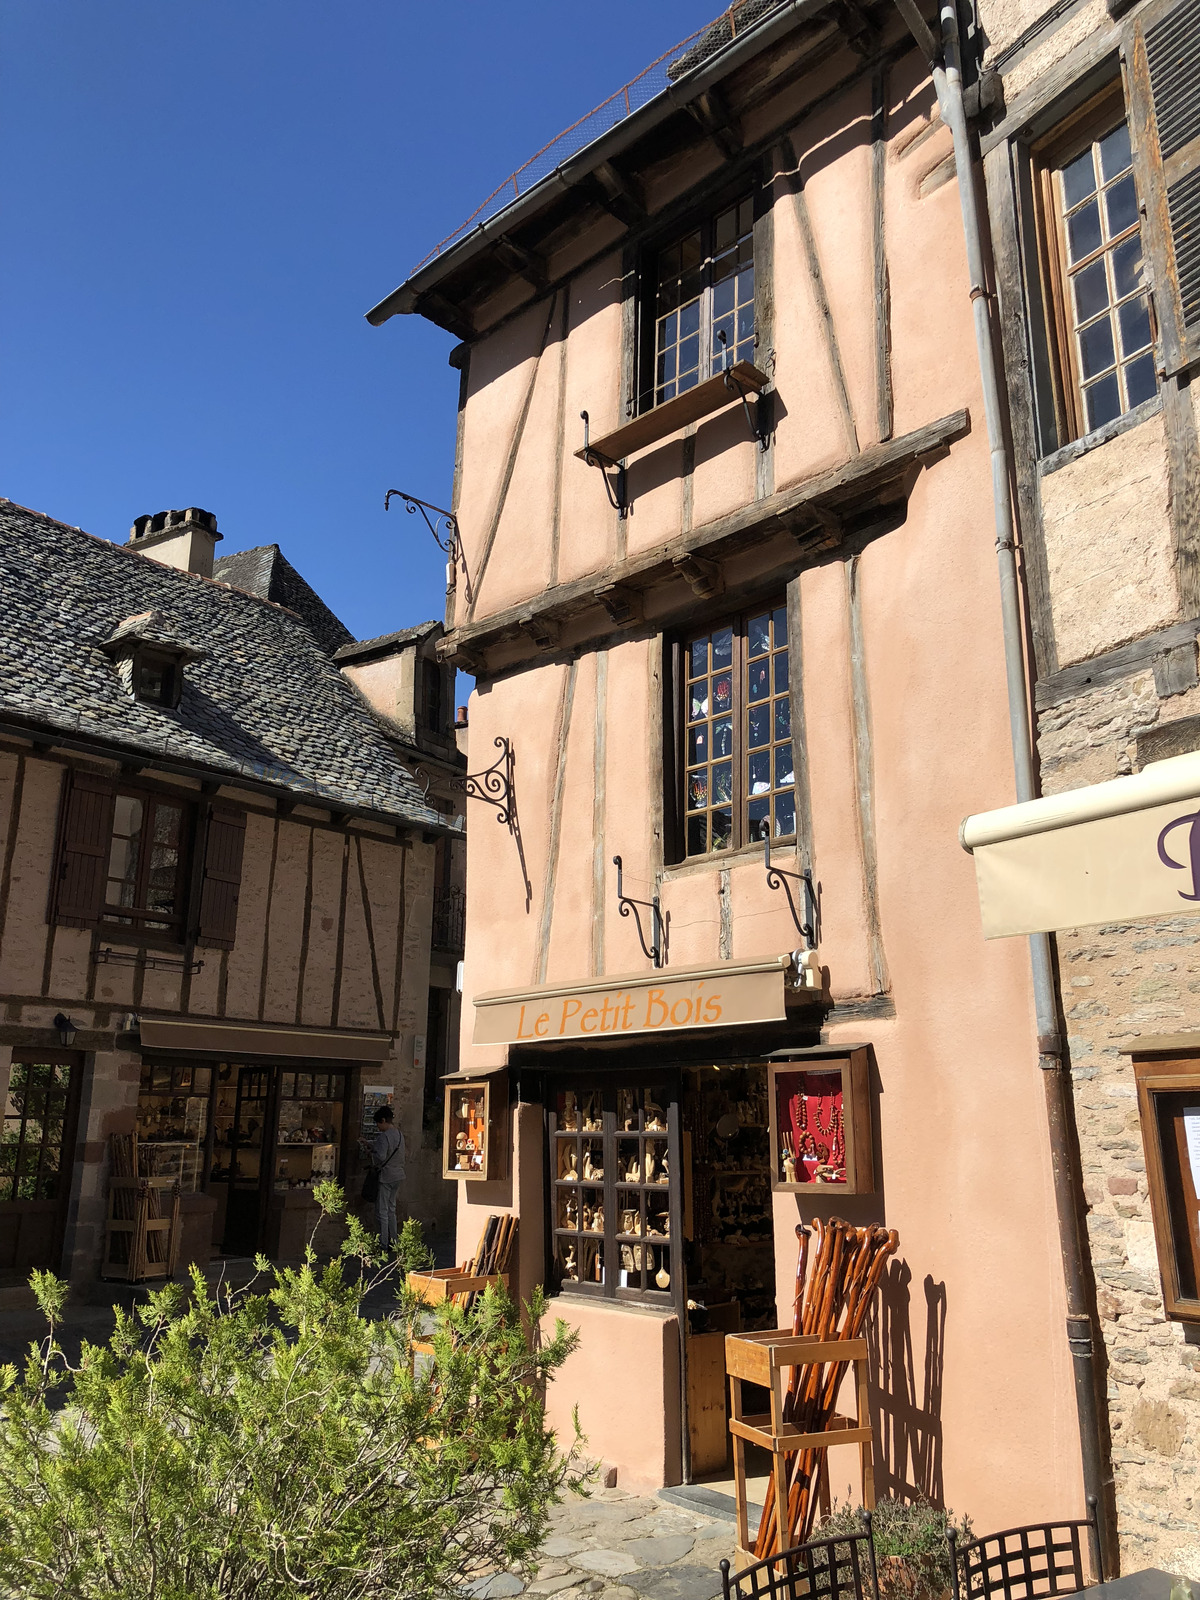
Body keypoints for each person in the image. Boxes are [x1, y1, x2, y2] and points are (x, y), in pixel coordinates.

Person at [364, 1104, 405, 1250]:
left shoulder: (384, 1136)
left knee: (382, 1211)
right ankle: (394, 1241)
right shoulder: (399, 1135)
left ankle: (383, 1243)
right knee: (391, 1210)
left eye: (378, 1123)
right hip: (398, 1174)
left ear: (383, 1120)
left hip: (386, 1176)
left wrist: (370, 1154)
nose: (377, 1127)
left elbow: (380, 1156)